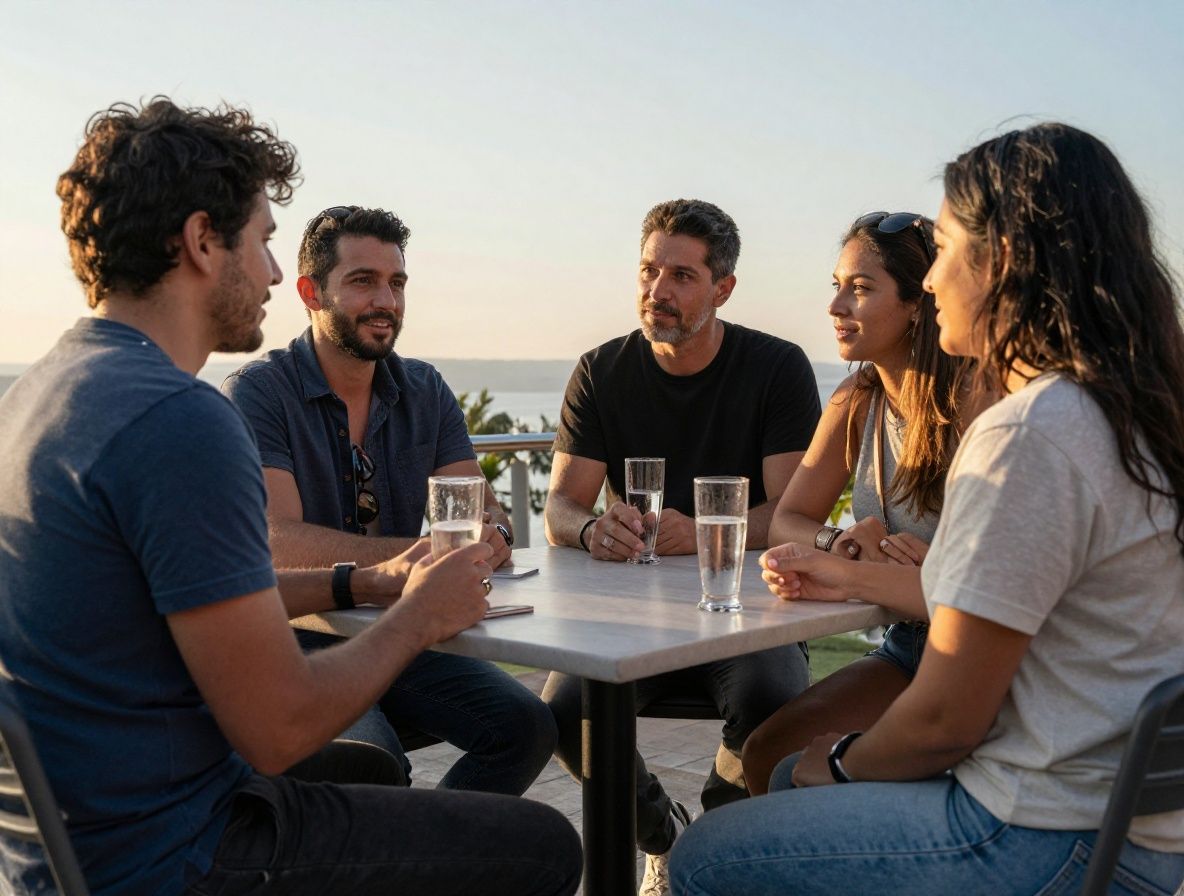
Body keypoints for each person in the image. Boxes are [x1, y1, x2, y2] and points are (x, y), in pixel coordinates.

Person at [0, 98, 581, 896]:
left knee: (475, 748)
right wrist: (420, 613)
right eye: (264, 241)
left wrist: (358, 582)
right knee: (545, 846)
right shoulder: (181, 417)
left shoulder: (42, 394)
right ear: (205, 242)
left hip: (72, 850)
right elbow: (280, 729)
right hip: (182, 854)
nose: (273, 273)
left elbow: (192, 592)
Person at [670, 123, 1184, 895]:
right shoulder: (1138, 414)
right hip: (1133, 832)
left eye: (943, 250)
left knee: (707, 857)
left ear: (1001, 260)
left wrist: (839, 762)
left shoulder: (1031, 433)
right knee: (779, 776)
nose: (935, 279)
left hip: (1047, 836)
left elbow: (946, 721)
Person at [222, 206, 556, 793]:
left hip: (406, 629)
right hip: (302, 636)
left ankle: (428, 866)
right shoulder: (259, 392)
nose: (387, 301)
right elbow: (275, 539)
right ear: (309, 291)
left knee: (527, 725)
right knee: (370, 768)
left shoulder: (424, 389)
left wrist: (495, 540)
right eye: (362, 281)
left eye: (397, 282)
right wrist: (419, 562)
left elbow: (487, 514)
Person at [542, 198, 820, 895]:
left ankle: (709, 845)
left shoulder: (777, 367)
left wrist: (703, 534)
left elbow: (794, 510)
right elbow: (562, 503)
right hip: (632, 614)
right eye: (648, 270)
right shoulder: (601, 369)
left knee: (776, 698)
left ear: (722, 288)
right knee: (560, 710)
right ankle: (664, 834)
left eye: (681, 276)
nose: (657, 291)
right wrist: (588, 529)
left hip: (748, 614)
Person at [741, 211, 990, 795]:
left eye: (860, 288)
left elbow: (987, 579)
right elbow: (788, 518)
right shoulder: (857, 399)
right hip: (908, 645)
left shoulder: (978, 402)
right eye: (837, 286)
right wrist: (842, 542)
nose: (836, 307)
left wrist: (860, 573)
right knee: (766, 753)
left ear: (917, 302)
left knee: (810, 770)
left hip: (977, 652)